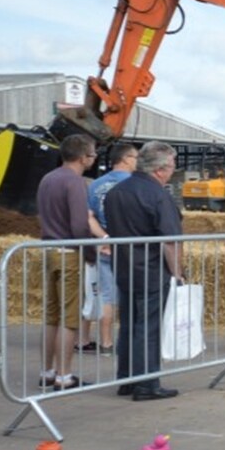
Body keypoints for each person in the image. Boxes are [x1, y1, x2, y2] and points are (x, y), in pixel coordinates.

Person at [104, 141, 184, 400]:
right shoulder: (158, 195)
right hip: (151, 269)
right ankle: (147, 384)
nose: (172, 171)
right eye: (172, 166)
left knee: (128, 323)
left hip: (124, 267)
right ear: (160, 169)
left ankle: (127, 378)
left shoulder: (116, 192)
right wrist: (178, 274)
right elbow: (170, 241)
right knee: (148, 327)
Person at [35, 133, 97, 389]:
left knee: (52, 315)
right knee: (69, 317)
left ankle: (48, 371)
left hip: (49, 249)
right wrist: (90, 253)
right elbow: (80, 225)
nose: (93, 158)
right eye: (92, 154)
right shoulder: (74, 182)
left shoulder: (48, 179)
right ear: (83, 157)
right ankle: (64, 375)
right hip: (69, 253)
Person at [82, 142, 138, 356]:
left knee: (107, 296)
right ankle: (130, 342)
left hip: (103, 245)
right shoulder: (133, 184)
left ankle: (105, 343)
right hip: (128, 246)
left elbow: (88, 216)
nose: (137, 162)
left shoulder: (96, 185)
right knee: (131, 295)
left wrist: (104, 238)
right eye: (135, 157)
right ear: (125, 159)